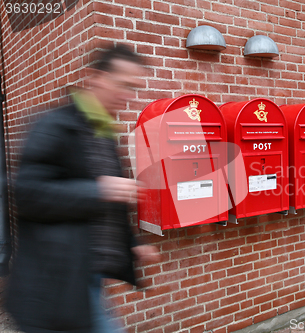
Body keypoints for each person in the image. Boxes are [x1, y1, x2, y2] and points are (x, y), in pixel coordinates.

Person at [6, 44, 160, 333]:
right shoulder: (53, 125)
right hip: (52, 285)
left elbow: (109, 205)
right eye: (123, 85)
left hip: (85, 278)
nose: (128, 96)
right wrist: (98, 190)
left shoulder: (102, 131)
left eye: (134, 88)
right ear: (95, 78)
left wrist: (133, 243)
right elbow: (26, 194)